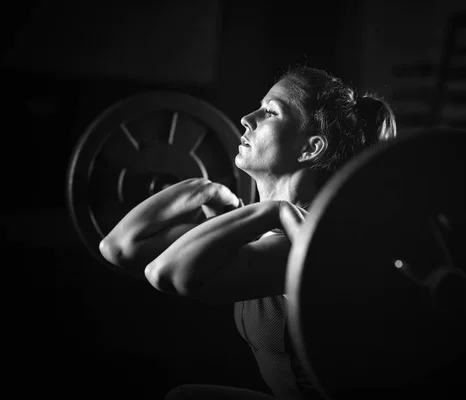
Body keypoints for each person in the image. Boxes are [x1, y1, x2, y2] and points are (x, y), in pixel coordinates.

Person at [98, 65, 397, 400]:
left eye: (270, 112)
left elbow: (166, 273)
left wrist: (274, 210)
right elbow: (119, 247)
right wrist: (200, 189)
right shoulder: (254, 228)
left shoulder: (298, 245)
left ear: (310, 148)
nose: (247, 118)